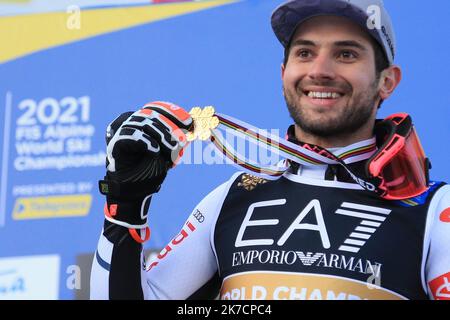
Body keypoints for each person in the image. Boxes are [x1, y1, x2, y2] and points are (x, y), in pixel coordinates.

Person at [90, 0, 450, 300]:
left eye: (345, 54)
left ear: (387, 81)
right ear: (283, 72)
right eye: (305, 53)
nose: (320, 70)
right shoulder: (233, 196)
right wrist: (126, 207)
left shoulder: (434, 211)